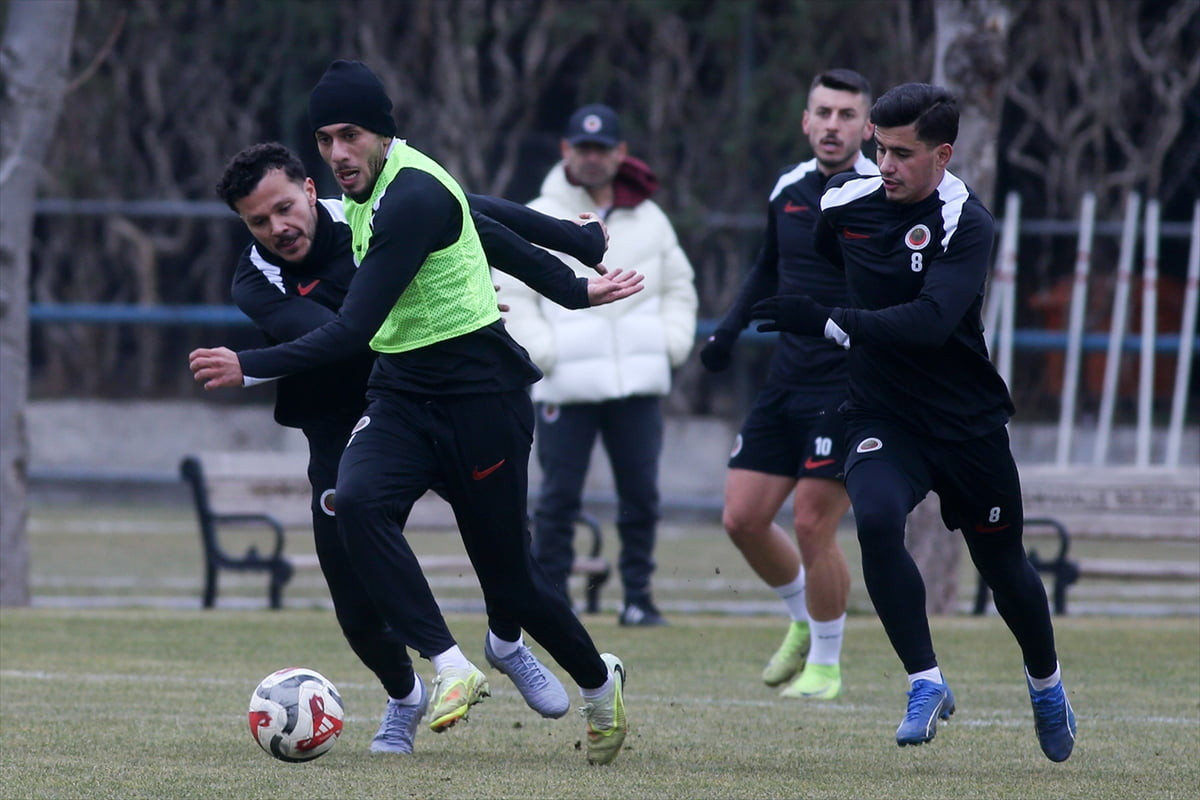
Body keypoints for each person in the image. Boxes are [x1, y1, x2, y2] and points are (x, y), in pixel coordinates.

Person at [192, 60, 639, 765]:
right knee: (355, 517)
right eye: (326, 139)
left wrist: (571, 266)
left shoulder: (399, 196)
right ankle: (437, 675)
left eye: (350, 135)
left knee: (513, 579)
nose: (338, 152)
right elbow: (455, 232)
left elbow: (462, 220)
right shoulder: (288, 254)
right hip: (385, 401)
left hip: (471, 394)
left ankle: (569, 670)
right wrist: (552, 261)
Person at [751, 82, 1076, 761]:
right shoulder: (842, 202)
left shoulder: (966, 221)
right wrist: (842, 323)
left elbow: (930, 323)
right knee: (874, 520)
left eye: (902, 153)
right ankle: (925, 682)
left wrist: (833, 320)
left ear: (943, 155)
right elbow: (837, 262)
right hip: (882, 413)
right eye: (880, 149)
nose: (886, 165)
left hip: (966, 423)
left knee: (1003, 565)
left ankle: (1046, 686)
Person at [699, 69, 878, 700]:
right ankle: (804, 618)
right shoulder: (788, 187)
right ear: (805, 121)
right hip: (786, 382)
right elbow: (767, 268)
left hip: (849, 386)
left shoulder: (881, 195)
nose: (833, 125)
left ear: (867, 128)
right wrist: (727, 332)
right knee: (742, 518)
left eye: (846, 115)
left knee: (810, 522)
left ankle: (826, 664)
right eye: (823, 113)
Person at [495, 103, 698, 627]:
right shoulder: (539, 211)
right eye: (582, 148)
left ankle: (638, 599)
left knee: (640, 497)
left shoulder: (649, 216)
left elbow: (680, 286)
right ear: (565, 150)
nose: (592, 158)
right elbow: (514, 291)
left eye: (602, 149)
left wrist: (670, 344)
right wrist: (546, 356)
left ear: (620, 153)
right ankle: (553, 602)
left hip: (638, 384)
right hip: (566, 384)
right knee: (558, 498)